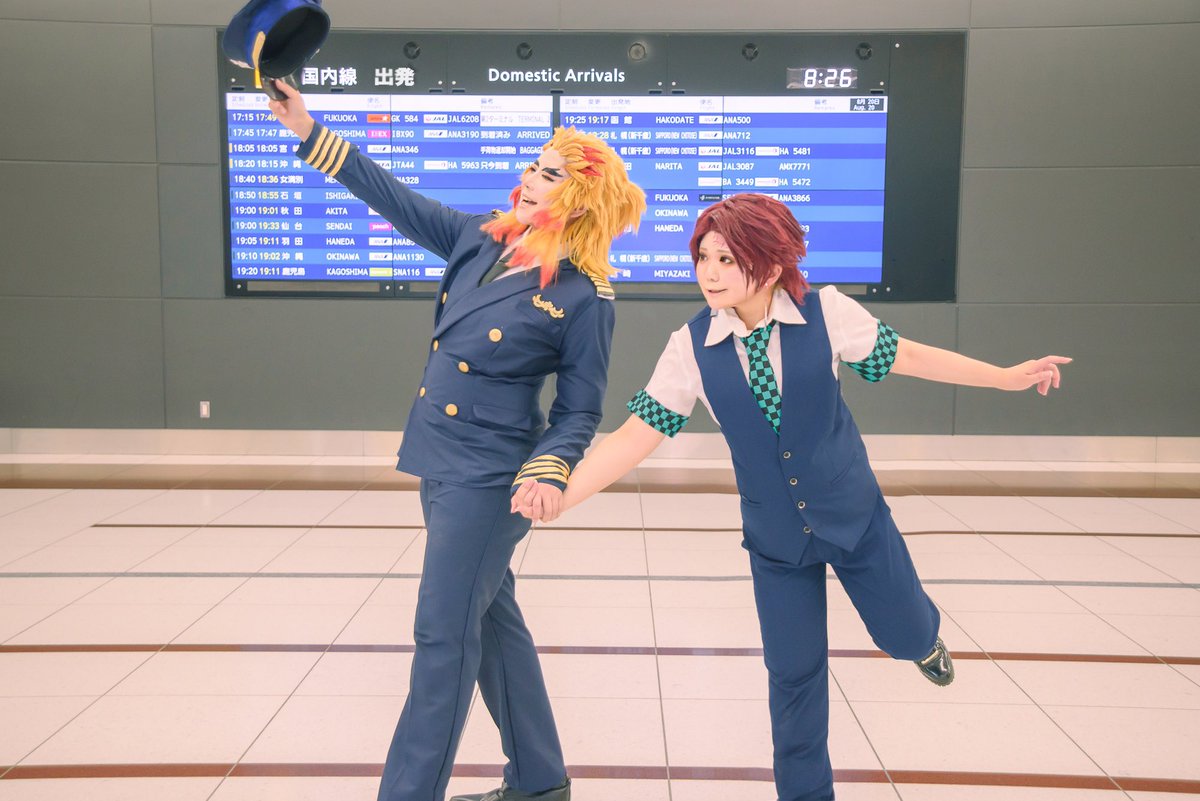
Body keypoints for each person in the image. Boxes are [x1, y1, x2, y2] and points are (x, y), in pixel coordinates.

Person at [513, 193, 1070, 801]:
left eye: (727, 259)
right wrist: (560, 494)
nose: (710, 273)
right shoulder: (690, 346)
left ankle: (922, 641)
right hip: (776, 539)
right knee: (793, 677)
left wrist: (1005, 377)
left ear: (771, 264)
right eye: (703, 257)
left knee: (903, 634)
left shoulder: (826, 312)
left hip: (855, 518)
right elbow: (634, 437)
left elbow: (908, 356)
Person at [268, 80, 645, 801]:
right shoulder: (482, 239)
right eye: (534, 164)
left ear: (579, 199)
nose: (530, 177)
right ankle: (540, 781)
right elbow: (395, 198)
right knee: (493, 621)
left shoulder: (583, 295)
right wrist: (308, 128)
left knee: (442, 637)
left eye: (550, 174)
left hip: (492, 479)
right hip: (440, 459)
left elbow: (579, 409)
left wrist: (550, 468)